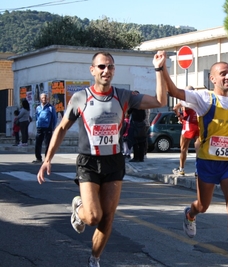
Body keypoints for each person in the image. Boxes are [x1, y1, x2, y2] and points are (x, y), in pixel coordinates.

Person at [37, 51, 167, 267]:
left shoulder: (124, 96)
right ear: (93, 70)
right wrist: (47, 158)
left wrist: (159, 69)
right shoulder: (80, 98)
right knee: (93, 217)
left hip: (114, 161)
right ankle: (79, 209)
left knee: (107, 217)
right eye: (101, 67)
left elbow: (160, 100)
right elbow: (61, 128)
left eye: (110, 67)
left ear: (114, 70)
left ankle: (94, 259)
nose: (106, 70)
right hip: (88, 162)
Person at [161, 60, 228, 267]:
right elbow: (174, 91)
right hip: (207, 162)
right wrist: (162, 69)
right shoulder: (204, 99)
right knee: (203, 206)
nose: (227, 77)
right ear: (212, 78)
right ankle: (190, 213)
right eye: (223, 73)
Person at [172, 85, 199, 176]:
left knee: (183, 148)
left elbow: (175, 108)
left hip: (187, 125)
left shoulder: (185, 101)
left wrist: (179, 116)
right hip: (197, 124)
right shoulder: (198, 100)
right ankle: (197, 170)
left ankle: (181, 169)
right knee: (198, 149)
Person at [33, 93, 57, 163]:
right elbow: (37, 116)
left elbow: (54, 118)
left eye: (45, 98)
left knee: (48, 144)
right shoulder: (38, 107)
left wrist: (53, 127)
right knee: (38, 143)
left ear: (47, 99)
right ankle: (38, 158)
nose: (44, 99)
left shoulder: (50, 107)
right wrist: (37, 124)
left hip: (48, 128)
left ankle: (47, 159)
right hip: (40, 127)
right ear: (40, 99)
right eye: (43, 98)